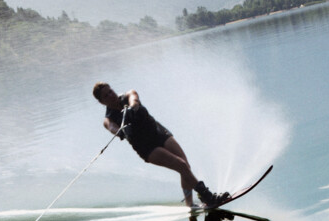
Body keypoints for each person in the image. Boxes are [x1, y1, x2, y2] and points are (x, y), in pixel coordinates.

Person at [92, 82, 228, 207]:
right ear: (101, 101)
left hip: (159, 133)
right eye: (106, 95)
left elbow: (135, 99)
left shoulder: (128, 95)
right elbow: (111, 128)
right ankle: (208, 197)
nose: (111, 95)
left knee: (185, 165)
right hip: (146, 147)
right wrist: (121, 131)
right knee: (180, 165)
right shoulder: (108, 119)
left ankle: (190, 205)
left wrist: (132, 108)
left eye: (110, 91)